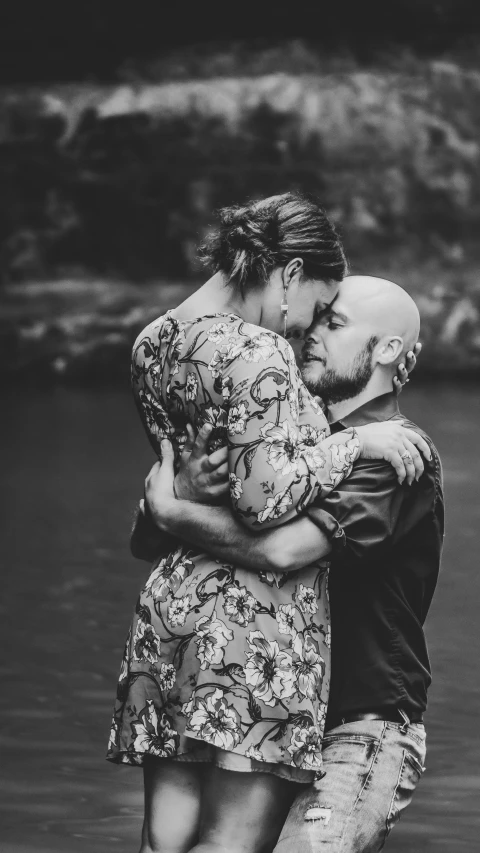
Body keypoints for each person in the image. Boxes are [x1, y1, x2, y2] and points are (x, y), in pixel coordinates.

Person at [106, 191, 430, 853]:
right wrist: (343, 444)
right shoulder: (274, 379)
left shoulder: (154, 345)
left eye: (331, 321)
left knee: (166, 840)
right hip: (252, 643)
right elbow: (257, 515)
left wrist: (171, 506)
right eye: (319, 306)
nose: (308, 329)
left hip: (323, 705)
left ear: (389, 348)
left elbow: (236, 535)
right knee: (226, 843)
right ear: (288, 274)